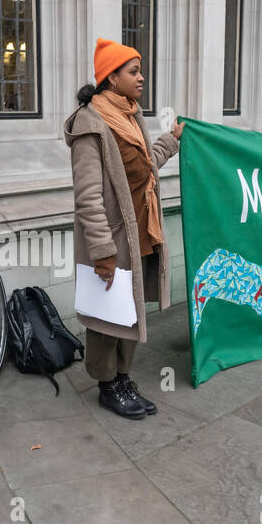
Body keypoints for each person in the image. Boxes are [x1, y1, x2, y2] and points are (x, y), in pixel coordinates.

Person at [64, 38, 184, 419]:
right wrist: (102, 251)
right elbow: (88, 198)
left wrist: (172, 141)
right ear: (110, 78)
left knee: (129, 311)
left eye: (140, 70)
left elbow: (145, 166)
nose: (141, 78)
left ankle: (124, 377)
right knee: (106, 317)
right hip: (113, 240)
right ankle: (107, 385)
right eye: (133, 71)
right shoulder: (91, 125)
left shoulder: (130, 117)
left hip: (140, 234)